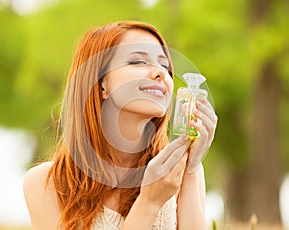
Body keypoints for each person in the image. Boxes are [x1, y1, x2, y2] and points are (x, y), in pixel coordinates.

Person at [23, 21, 218, 230]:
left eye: (165, 66)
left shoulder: (181, 172)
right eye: (137, 61)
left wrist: (191, 167)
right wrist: (149, 201)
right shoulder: (46, 183)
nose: (161, 73)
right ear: (100, 83)